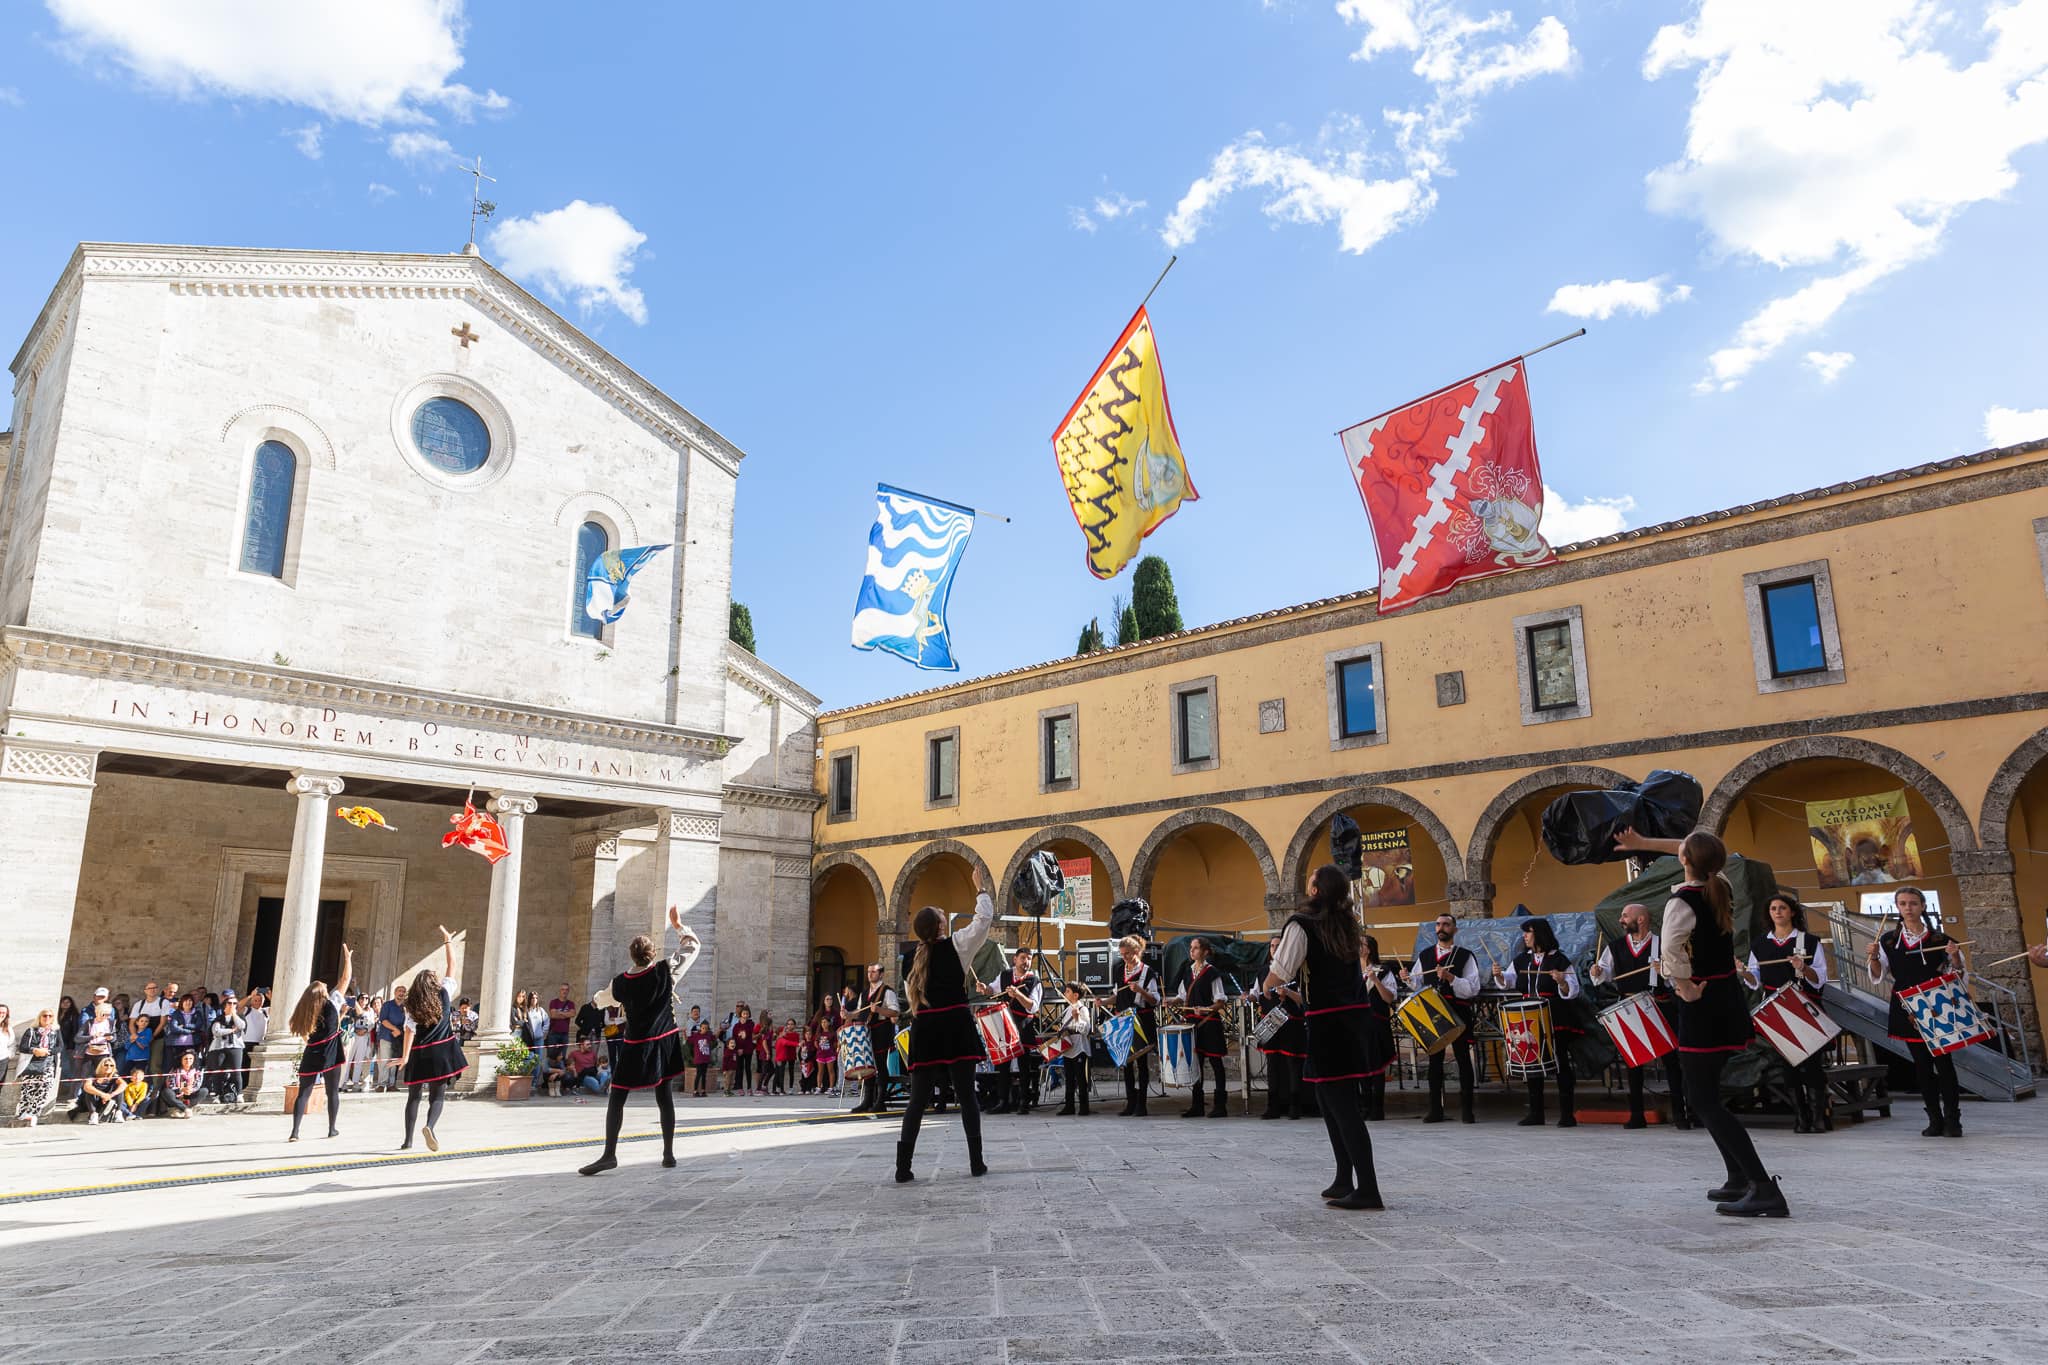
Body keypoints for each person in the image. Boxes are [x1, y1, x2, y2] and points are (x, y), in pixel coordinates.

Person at [1618, 827, 1789, 1217]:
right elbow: (1692, 851)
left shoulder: (1683, 902)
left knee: (1702, 1098)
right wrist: (1643, 843)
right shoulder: (1721, 885)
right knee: (1706, 1093)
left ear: (1683, 862)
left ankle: (1763, 1186)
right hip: (1727, 997)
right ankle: (1737, 1178)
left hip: (1702, 1001)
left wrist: (1683, 986)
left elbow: (1671, 949)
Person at [1260, 865, 1384, 1211]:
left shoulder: (1302, 924)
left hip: (1328, 1024)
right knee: (1331, 1102)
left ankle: (1369, 1188)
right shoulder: (1347, 922)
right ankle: (1345, 1176)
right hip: (1352, 1018)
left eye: (1310, 880)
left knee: (1342, 1105)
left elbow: (1280, 971)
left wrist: (1269, 987)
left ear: (1316, 890)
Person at [579, 905, 699, 1175]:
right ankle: (668, 1154)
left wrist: (594, 1002)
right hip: (664, 1042)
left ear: (631, 956)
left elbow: (601, 999)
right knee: (664, 1096)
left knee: (617, 1097)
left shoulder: (620, 983)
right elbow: (692, 948)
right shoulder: (664, 972)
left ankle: (609, 1154)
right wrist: (679, 927)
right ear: (653, 955)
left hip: (636, 1046)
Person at [895, 864, 996, 1183]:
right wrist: (980, 888)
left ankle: (903, 1167)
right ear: (940, 926)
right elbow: (983, 920)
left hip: (925, 1028)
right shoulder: (956, 945)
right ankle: (976, 1163)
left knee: (917, 1101)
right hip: (954, 1025)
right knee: (967, 1097)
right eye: (942, 914)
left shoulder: (911, 959)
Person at [1865, 885, 1964, 1139]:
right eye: (1903, 904)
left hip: (1936, 1004)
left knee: (1945, 1065)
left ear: (1922, 906)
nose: (1908, 908)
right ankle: (1934, 1119)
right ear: (1897, 908)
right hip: (1905, 1005)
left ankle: (1953, 1120)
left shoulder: (1941, 940)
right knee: (1921, 1066)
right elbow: (1878, 975)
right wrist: (1874, 958)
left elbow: (1957, 975)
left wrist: (1954, 958)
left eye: (1913, 903)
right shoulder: (1887, 941)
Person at [1589, 902, 1691, 1130]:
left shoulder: (1662, 945)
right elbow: (1604, 973)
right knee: (1633, 1062)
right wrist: (1597, 972)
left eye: (1625, 916)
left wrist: (1664, 972)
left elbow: (1678, 979)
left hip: (1660, 1004)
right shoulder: (1615, 947)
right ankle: (1636, 1115)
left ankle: (1680, 1115)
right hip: (1629, 1006)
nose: (1621, 920)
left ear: (1641, 919)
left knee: (1672, 1063)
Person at [1740, 891, 1831, 1133]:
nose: (1778, 912)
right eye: (1773, 908)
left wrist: (1804, 967)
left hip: (1804, 1005)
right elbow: (1754, 979)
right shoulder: (1760, 944)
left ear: (1791, 912)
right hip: (1776, 1008)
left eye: (1782, 907)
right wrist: (1744, 972)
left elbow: (1820, 978)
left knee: (1812, 1065)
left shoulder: (1809, 941)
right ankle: (1800, 1116)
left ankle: (1819, 1116)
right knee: (1787, 1065)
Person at [1493, 916, 1581, 1127]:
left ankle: (1567, 1114)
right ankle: (1536, 1113)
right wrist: (1499, 976)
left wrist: (1561, 981)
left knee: (1560, 1062)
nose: (1524, 936)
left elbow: (1573, 990)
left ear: (1540, 934)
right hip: (1529, 1016)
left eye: (1528, 932)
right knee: (1531, 1062)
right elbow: (1509, 981)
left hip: (1553, 1015)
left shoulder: (1560, 959)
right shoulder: (1522, 960)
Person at [1403, 913, 1481, 1124]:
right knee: (1434, 1061)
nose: (1441, 927)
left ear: (1455, 929)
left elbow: (1473, 988)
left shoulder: (1465, 956)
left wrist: (1451, 978)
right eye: (1438, 924)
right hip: (1433, 1014)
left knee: (1463, 1059)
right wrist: (1407, 979)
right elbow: (1418, 985)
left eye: (1446, 924)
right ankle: (1435, 1109)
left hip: (1457, 1011)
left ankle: (1467, 1110)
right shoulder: (1426, 955)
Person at [398, 926, 463, 1152]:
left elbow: (409, 1030)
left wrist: (404, 1057)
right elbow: (452, 966)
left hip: (419, 1053)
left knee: (413, 1097)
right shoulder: (444, 993)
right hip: (441, 1052)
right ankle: (430, 1126)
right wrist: (447, 942)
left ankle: (407, 1141)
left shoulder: (412, 1005)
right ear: (434, 983)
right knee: (437, 1095)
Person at [288, 942, 354, 1141]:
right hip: (331, 1051)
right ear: (323, 993)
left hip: (312, 1051)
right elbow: (345, 979)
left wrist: (312, 1040)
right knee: (332, 1092)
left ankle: (295, 1132)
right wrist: (348, 959)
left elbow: (302, 1033)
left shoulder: (305, 1011)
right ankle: (332, 1128)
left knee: (303, 1093)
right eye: (325, 987)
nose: (327, 987)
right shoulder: (332, 1002)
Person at [1173, 937, 1231, 1119]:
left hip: (1209, 1024)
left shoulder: (1212, 972)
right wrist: (1171, 1001)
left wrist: (1206, 1009)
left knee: (1216, 1063)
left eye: (1196, 948)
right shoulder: (1187, 971)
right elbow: (1182, 996)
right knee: (1195, 1065)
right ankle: (1197, 1105)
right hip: (1192, 1024)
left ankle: (1220, 1106)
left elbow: (1220, 1001)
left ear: (1205, 951)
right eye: (1191, 948)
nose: (1192, 951)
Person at [1110, 935, 1162, 1118]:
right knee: (1126, 1062)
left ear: (1137, 952)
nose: (1125, 958)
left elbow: (1155, 1000)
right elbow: (1117, 996)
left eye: (1128, 954)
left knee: (1141, 1063)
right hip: (1124, 1022)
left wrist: (1140, 990)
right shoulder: (1118, 970)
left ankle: (1142, 1104)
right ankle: (1130, 1102)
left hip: (1142, 1020)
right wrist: (1104, 1001)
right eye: (1122, 954)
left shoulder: (1148, 972)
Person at [992, 952, 1044, 1115]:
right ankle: (1003, 1101)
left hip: (1023, 1025)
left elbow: (1033, 1006)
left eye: (1029, 959)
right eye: (1023, 958)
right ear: (1014, 959)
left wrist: (1018, 994)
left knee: (1024, 1066)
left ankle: (1024, 1102)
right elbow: (991, 989)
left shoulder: (1034, 980)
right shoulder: (1005, 975)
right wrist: (983, 988)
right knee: (1003, 1065)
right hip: (1006, 1023)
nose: (1026, 961)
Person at [1255, 967, 1309, 1121]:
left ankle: (1295, 1107)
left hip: (1291, 1024)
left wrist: (1288, 993)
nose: (1274, 949)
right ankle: (1273, 1107)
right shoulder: (1263, 972)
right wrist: (1250, 997)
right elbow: (1256, 993)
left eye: (1278, 946)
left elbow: (1304, 999)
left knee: (1293, 1065)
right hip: (1272, 1023)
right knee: (1272, 1066)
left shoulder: (1297, 972)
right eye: (1272, 946)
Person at [1359, 936, 1400, 1122]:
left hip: (1376, 1023)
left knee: (1376, 1066)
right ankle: (1364, 1105)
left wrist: (1375, 980)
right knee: (1361, 1066)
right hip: (1357, 1025)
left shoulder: (1383, 971)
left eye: (1361, 944)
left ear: (1369, 949)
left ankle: (1377, 1108)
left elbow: (1389, 998)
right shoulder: (1350, 971)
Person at [850, 964, 900, 1115]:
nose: (870, 974)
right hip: (867, 1033)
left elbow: (895, 1012)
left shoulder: (887, 992)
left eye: (874, 971)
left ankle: (880, 1101)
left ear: (881, 974)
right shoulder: (864, 993)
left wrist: (879, 1010)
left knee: (881, 1066)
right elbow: (858, 1013)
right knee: (868, 1067)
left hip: (882, 1032)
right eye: (869, 972)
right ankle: (867, 1101)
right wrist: (848, 1015)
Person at [15, 1009, 63, 1126]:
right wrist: (35, 1050)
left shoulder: (55, 1031)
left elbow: (60, 1047)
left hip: (48, 1064)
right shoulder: (31, 1031)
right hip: (32, 1064)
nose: (47, 1018)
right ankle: (22, 1113)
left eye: (50, 1016)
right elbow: (23, 1047)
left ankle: (33, 1113)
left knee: (43, 1089)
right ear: (40, 1017)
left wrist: (48, 1051)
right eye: (44, 1016)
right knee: (28, 1090)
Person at [1052, 980, 1093, 1116]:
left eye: (1068, 991)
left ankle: (1084, 1107)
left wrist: (1077, 1019)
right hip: (1068, 1049)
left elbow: (1086, 1029)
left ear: (1076, 995)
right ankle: (1069, 1107)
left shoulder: (1083, 1009)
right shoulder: (1067, 1009)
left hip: (1079, 1049)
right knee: (1069, 1079)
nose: (1065, 993)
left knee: (1081, 1079)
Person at [207, 994, 247, 1106]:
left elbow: (241, 1026)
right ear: (224, 1005)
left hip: (235, 1046)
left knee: (236, 1071)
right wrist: (230, 1030)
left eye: (235, 1003)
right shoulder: (219, 1019)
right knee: (218, 1072)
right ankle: (218, 1095)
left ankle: (239, 1094)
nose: (232, 1005)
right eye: (230, 1003)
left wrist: (234, 1014)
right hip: (219, 1047)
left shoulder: (239, 1017)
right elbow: (216, 1031)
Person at [70, 1057, 124, 1124]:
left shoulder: (115, 1076)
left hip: (105, 1100)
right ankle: (93, 1115)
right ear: (101, 1066)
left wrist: (111, 1095)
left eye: (111, 1065)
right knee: (90, 1091)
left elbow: (124, 1084)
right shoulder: (93, 1075)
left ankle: (118, 1113)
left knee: (120, 1090)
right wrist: (102, 1095)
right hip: (91, 1101)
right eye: (106, 1065)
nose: (109, 1067)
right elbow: (87, 1086)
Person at [376, 987, 408, 1091]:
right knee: (385, 1060)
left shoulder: (406, 1007)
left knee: (395, 1061)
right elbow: (383, 1020)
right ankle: (382, 1084)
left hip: (399, 1039)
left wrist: (400, 1032)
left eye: (403, 992)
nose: (401, 993)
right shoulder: (387, 1005)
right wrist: (395, 1029)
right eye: (399, 991)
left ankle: (391, 1084)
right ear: (395, 993)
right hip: (386, 1036)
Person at [162, 1052, 204, 1118]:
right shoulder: (174, 1071)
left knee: (204, 1090)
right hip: (177, 1094)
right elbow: (170, 1085)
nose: (188, 1060)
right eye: (186, 1059)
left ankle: (183, 1108)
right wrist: (181, 1089)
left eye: (190, 1058)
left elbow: (198, 1085)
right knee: (166, 1092)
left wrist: (190, 1089)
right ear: (181, 1060)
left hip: (190, 1094)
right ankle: (185, 1109)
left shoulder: (197, 1072)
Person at [726, 1005, 756, 1096]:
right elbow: (735, 1038)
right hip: (739, 1050)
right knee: (739, 1069)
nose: (745, 1015)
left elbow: (751, 1036)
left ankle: (749, 1087)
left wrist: (744, 1024)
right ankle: (740, 1087)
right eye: (744, 1014)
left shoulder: (751, 1024)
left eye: (747, 1014)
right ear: (741, 1015)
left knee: (748, 1069)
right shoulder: (736, 1026)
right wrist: (738, 1049)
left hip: (748, 1050)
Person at [547, 983, 576, 1074]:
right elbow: (553, 1015)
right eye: (563, 989)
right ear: (560, 991)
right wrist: (565, 1014)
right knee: (551, 1055)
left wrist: (560, 1013)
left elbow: (572, 1014)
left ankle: (561, 1078)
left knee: (562, 1056)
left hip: (564, 1033)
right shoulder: (554, 1002)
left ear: (568, 991)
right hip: (554, 1033)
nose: (564, 991)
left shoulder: (571, 1003)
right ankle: (549, 1078)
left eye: (566, 989)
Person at [688, 1020, 715, 1096]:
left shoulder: (708, 1035)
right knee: (698, 1074)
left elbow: (714, 1037)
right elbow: (688, 1039)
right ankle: (695, 1091)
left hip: (705, 1059)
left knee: (704, 1075)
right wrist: (684, 1032)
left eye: (706, 1028)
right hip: (698, 1059)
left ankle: (703, 1091)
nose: (704, 1030)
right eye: (703, 1028)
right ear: (700, 1028)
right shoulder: (696, 1036)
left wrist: (720, 1029)